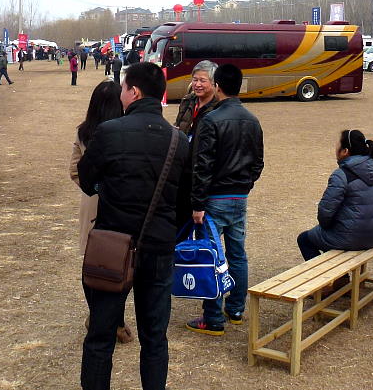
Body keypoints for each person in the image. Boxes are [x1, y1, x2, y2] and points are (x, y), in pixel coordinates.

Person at [77, 62, 191, 390]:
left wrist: (109, 190)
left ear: (134, 92)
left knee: (100, 336)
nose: (121, 94)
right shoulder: (179, 140)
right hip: (158, 248)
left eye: (124, 88)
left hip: (111, 245)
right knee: (155, 338)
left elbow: (86, 180)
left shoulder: (109, 132)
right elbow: (186, 202)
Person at [187, 64, 264, 336]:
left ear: (217, 85)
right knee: (237, 254)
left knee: (211, 256)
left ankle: (213, 317)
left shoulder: (211, 120)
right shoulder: (252, 120)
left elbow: (202, 165)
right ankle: (236, 308)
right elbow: (258, 163)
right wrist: (244, 185)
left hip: (214, 198)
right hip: (238, 197)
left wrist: (197, 204)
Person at [70, 80, 132, 344]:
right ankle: (110, 319)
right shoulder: (126, 131)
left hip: (92, 202)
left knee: (94, 264)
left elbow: (74, 170)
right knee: (123, 264)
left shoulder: (84, 132)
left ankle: (103, 317)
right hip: (121, 204)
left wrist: (94, 188)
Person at [297, 130, 373, 260]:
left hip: (349, 237)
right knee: (329, 235)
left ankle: (329, 273)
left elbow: (325, 210)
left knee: (304, 239)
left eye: (338, 145)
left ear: (345, 151)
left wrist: (327, 226)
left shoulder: (341, 174)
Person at [174, 60, 219, 141]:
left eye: (202, 81)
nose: (197, 84)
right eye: (195, 80)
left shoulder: (219, 107)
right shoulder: (187, 101)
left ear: (214, 82)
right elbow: (178, 124)